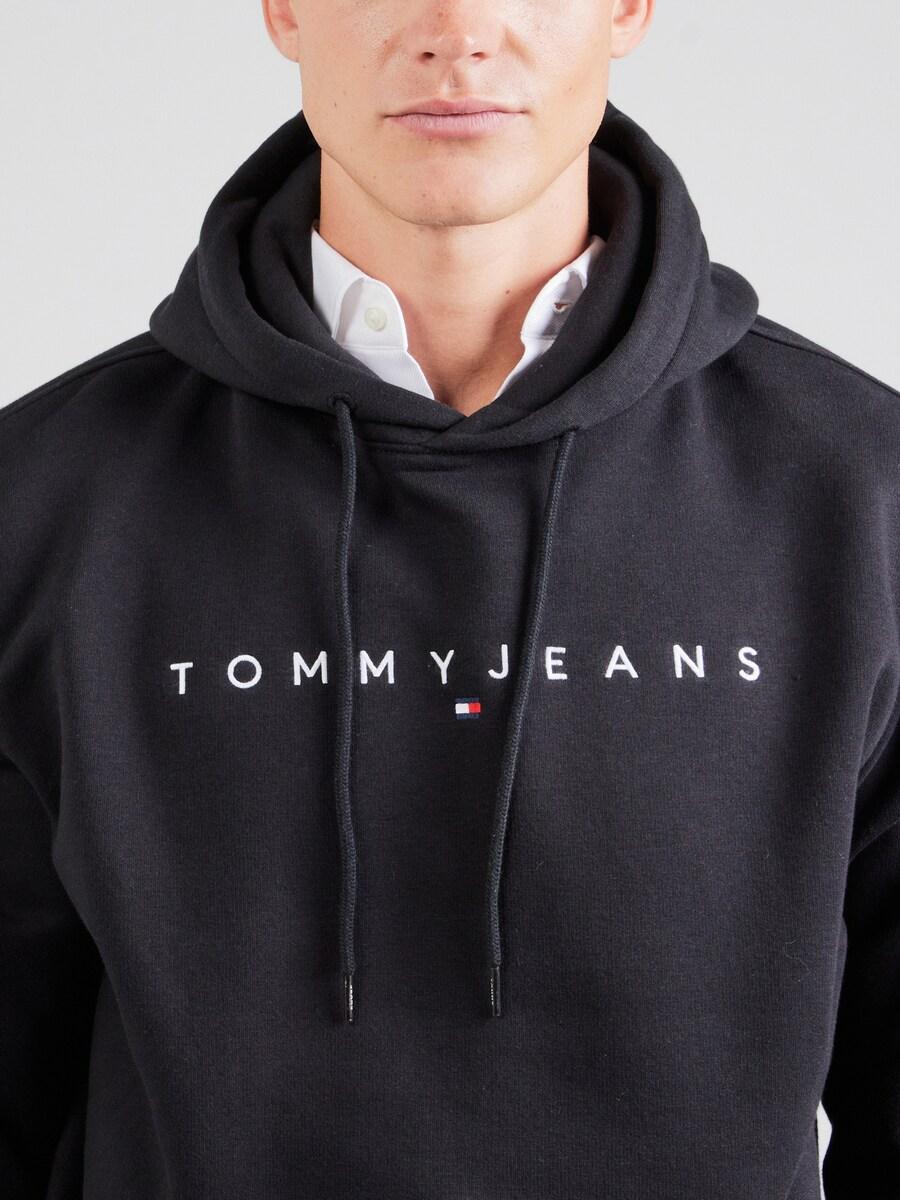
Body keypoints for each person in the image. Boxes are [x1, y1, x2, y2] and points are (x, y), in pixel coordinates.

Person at [1, 0, 898, 1196]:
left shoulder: (859, 489)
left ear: (628, 7)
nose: (458, 29)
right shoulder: (47, 496)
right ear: (285, 8)